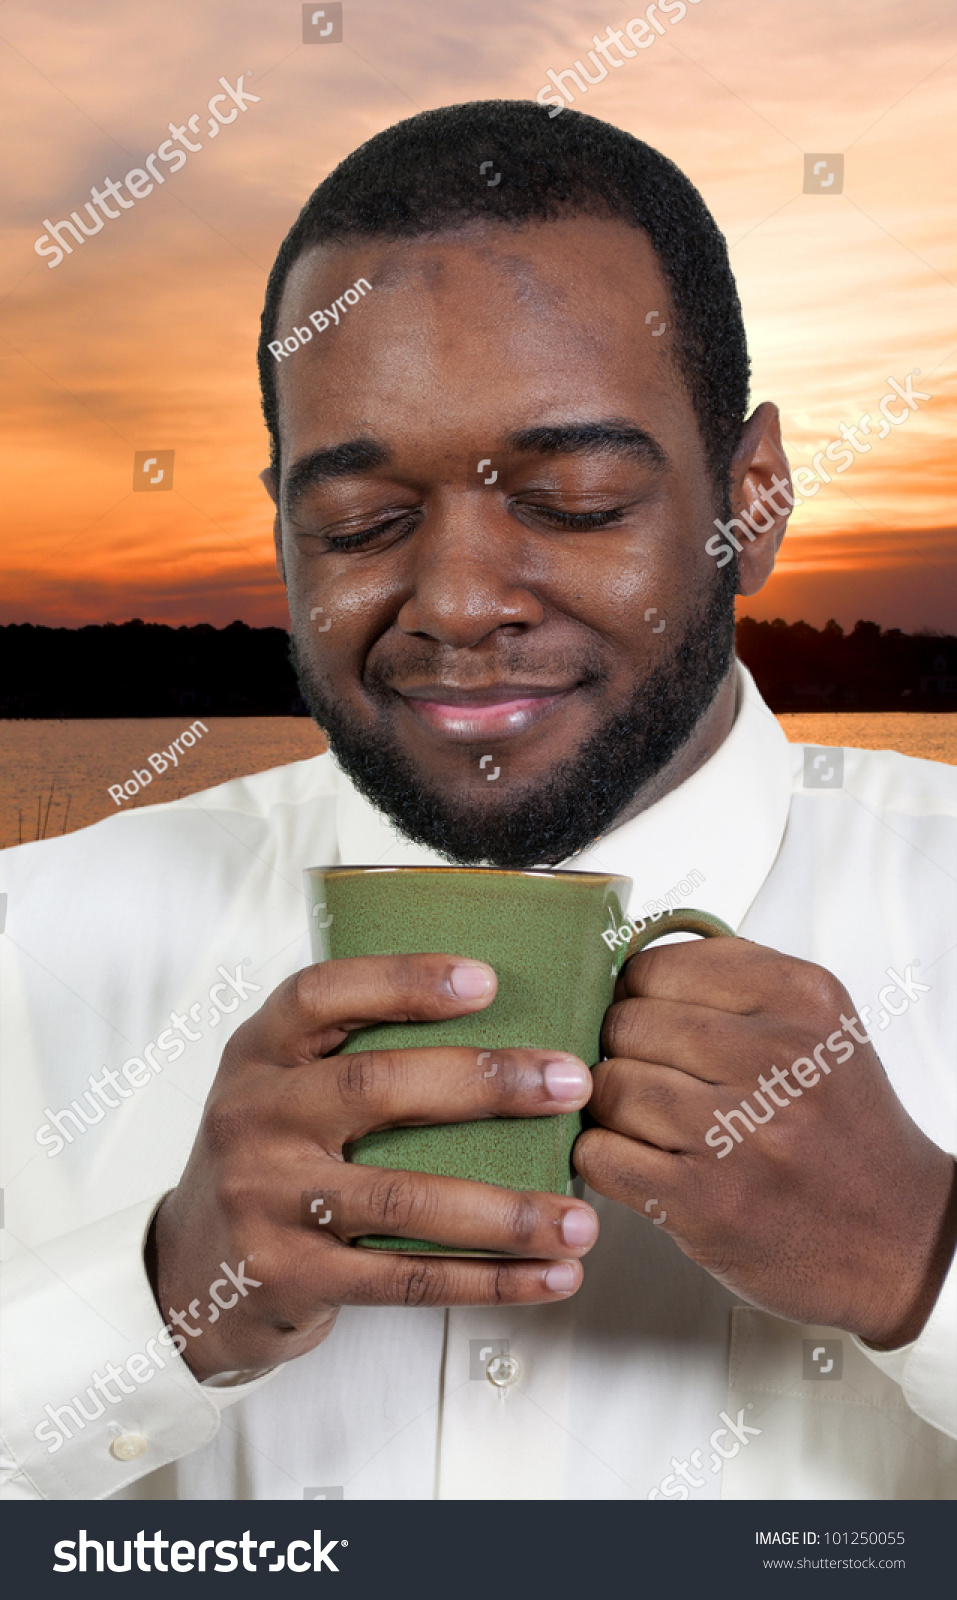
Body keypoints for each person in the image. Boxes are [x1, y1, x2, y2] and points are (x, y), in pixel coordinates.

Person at [2, 101, 954, 1502]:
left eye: (571, 499)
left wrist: (925, 1263)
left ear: (748, 504)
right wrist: (150, 1306)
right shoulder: (30, 942)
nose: (453, 603)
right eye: (360, 526)